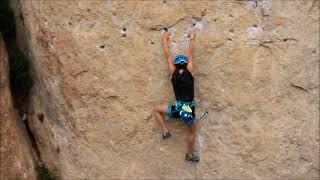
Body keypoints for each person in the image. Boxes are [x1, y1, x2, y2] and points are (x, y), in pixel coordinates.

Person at [154, 28, 199, 162]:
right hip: (188, 110)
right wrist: (192, 37)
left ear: (175, 65)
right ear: (185, 65)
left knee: (157, 109)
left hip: (178, 109)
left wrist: (164, 39)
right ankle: (189, 154)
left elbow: (168, 56)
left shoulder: (172, 72)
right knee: (191, 132)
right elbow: (190, 53)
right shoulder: (190, 71)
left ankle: (165, 131)